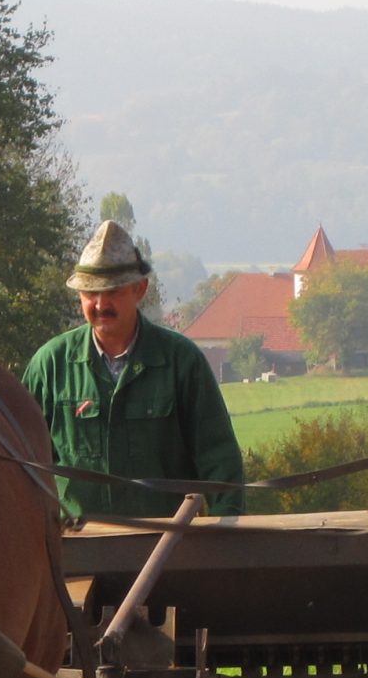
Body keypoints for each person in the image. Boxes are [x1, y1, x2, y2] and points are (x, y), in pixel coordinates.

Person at [22, 220, 244, 520]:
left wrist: (227, 531)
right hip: (76, 542)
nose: (100, 304)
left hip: (168, 540)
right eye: (90, 293)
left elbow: (219, 460)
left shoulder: (181, 362)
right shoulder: (50, 365)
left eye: (112, 291)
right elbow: (19, 462)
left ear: (140, 289)